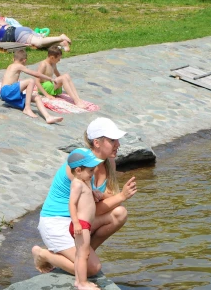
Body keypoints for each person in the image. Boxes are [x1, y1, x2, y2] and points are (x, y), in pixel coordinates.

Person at [31, 117, 138, 276]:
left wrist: (108, 195)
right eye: (112, 140)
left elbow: (102, 202)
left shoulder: (109, 163)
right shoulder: (82, 167)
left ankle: (82, 256)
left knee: (119, 213)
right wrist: (121, 196)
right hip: (57, 221)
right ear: (97, 142)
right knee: (93, 269)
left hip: (78, 223)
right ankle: (44, 255)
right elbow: (93, 210)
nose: (118, 144)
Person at [67, 148, 105, 290]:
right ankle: (83, 282)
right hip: (81, 225)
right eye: (90, 170)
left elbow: (86, 199)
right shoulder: (77, 183)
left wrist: (93, 193)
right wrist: (76, 222)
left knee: (79, 253)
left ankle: (78, 280)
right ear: (78, 170)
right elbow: (72, 203)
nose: (93, 173)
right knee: (84, 254)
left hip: (84, 225)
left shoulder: (84, 182)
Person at [0, 49, 63, 124]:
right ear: (24, 60)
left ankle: (48, 117)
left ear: (13, 59)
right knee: (31, 80)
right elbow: (35, 74)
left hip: (7, 94)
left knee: (37, 98)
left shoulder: (10, 66)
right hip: (7, 91)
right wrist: (49, 78)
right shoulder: (19, 66)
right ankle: (27, 108)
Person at [0, 14, 71, 51]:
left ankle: (60, 37)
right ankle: (61, 44)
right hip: (20, 30)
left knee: (39, 43)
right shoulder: (0, 21)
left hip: (16, 34)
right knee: (40, 42)